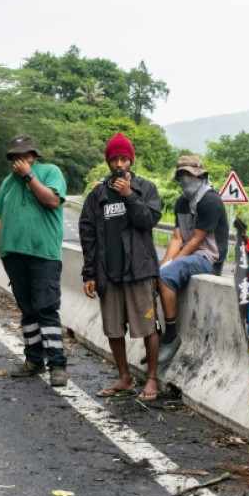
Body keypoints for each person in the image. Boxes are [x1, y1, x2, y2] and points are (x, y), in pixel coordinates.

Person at [0, 135, 69, 387]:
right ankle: (34, 360)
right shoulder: (7, 183)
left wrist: (29, 177)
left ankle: (57, 365)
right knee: (28, 311)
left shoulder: (49, 172)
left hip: (43, 254)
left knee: (46, 308)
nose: (20, 161)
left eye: (25, 156)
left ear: (34, 156)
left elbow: (52, 200)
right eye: (15, 157)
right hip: (13, 254)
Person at [79, 133, 162, 401]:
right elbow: (88, 233)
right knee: (113, 328)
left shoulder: (145, 189)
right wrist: (89, 272)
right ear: (108, 162)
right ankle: (124, 377)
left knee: (147, 325)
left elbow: (148, 221)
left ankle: (151, 379)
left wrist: (129, 195)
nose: (119, 164)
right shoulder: (98, 193)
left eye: (123, 158)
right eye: (114, 159)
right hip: (109, 272)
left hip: (139, 269)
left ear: (131, 160)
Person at [157, 155, 229, 363]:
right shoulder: (181, 202)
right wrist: (164, 265)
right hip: (189, 256)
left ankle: (171, 336)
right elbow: (177, 237)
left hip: (208, 259)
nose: (185, 179)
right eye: (181, 175)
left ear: (200, 176)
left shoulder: (210, 200)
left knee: (166, 275)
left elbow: (197, 240)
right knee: (154, 273)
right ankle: (156, 334)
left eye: (189, 174)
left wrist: (172, 265)